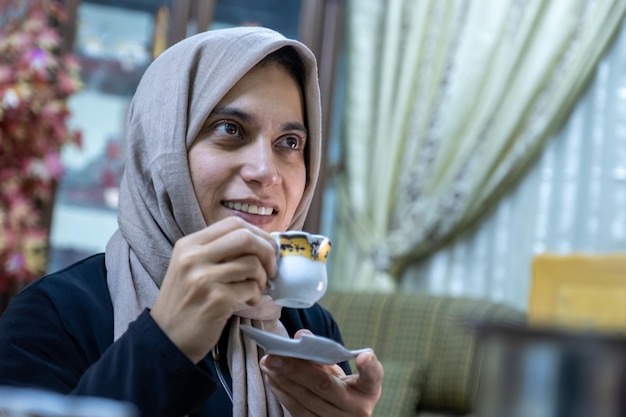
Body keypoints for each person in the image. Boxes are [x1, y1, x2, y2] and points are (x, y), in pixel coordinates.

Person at [0, 27, 383, 416]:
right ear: (160, 147)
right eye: (230, 130)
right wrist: (166, 340)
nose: (266, 173)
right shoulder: (54, 316)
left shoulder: (308, 328)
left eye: (289, 143)